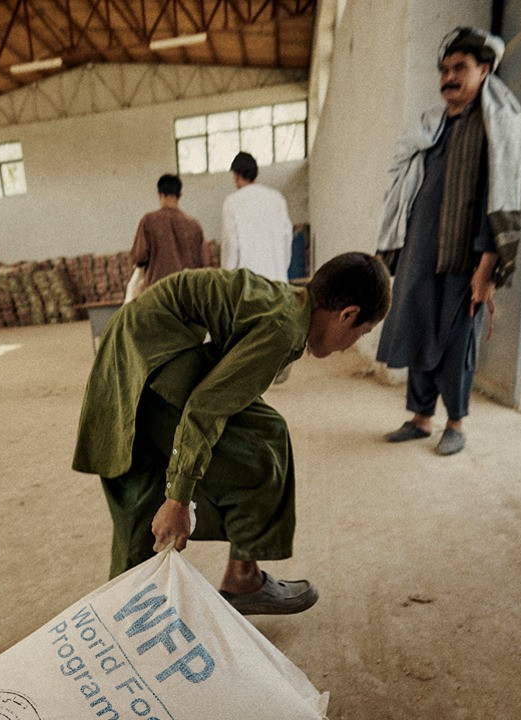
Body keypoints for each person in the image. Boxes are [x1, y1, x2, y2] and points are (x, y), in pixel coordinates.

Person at [73, 253, 391, 615]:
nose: (348, 346)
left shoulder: (286, 304)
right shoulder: (284, 327)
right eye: (359, 334)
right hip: (151, 355)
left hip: (139, 348)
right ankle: (239, 579)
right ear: (347, 314)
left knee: (145, 490)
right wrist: (178, 498)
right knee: (263, 443)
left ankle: (129, 610)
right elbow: (206, 407)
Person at [374, 27, 521, 456]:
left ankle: (456, 423)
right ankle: (421, 418)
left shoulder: (494, 128)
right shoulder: (431, 127)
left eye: (460, 68)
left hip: (466, 256)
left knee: (457, 343)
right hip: (420, 251)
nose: (448, 77)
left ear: (485, 70)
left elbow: (497, 198)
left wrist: (487, 265)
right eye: (444, 69)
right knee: (420, 331)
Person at [221, 151, 295, 283]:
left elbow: (231, 245)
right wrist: (281, 269)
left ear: (237, 175)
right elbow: (287, 238)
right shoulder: (276, 198)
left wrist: (227, 279)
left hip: (247, 285)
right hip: (277, 282)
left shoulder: (231, 202)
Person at [128, 174, 208, 295]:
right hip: (187, 294)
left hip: (157, 294)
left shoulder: (148, 221)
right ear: (180, 195)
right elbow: (204, 263)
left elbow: (139, 257)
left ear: (160, 194)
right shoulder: (194, 225)